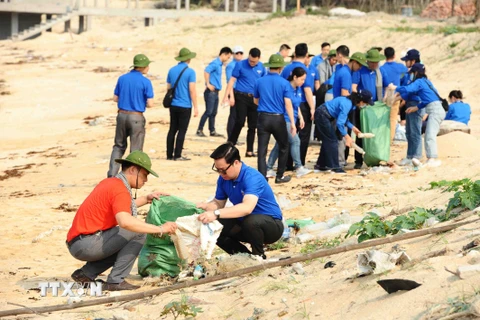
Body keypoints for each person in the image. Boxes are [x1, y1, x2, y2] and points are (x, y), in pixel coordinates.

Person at [67, 151, 177, 291]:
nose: (146, 180)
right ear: (132, 169)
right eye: (144, 175)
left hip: (79, 242)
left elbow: (121, 207)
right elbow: (125, 221)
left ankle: (86, 274)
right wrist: (161, 229)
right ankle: (115, 281)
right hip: (86, 243)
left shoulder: (112, 183)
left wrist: (146, 199)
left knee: (125, 238)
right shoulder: (120, 189)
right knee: (138, 233)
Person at [196, 143, 284, 259]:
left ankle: (258, 255)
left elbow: (247, 208)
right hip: (245, 225)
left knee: (251, 221)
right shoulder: (224, 179)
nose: (221, 174)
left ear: (236, 163)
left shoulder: (252, 177)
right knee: (213, 225)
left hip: (270, 226)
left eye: (223, 170)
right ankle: (243, 256)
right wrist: (205, 207)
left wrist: (216, 213)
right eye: (218, 170)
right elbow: (218, 203)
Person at [390, 63, 446, 167]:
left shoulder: (419, 82)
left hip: (435, 110)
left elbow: (408, 89)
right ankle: (429, 158)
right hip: (436, 109)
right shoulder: (427, 82)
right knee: (428, 134)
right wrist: (416, 108)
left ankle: (432, 159)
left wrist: (395, 87)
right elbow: (427, 100)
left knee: (429, 135)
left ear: (415, 73)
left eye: (412, 73)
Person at [107, 54, 154, 178]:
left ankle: (112, 175)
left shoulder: (122, 78)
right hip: (136, 117)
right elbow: (150, 104)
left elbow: (115, 98)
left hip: (122, 115)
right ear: (143, 67)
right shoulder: (146, 82)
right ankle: (131, 176)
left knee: (118, 146)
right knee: (136, 149)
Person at [254, 54, 295, 184]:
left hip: (263, 117)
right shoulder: (284, 83)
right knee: (284, 146)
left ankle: (262, 178)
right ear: (281, 67)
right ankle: (280, 176)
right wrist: (293, 122)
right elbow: (288, 103)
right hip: (278, 118)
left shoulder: (259, 81)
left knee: (262, 150)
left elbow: (255, 100)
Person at [267, 67, 311, 178]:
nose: (303, 82)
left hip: (292, 119)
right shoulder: (286, 87)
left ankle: (268, 167)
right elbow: (288, 106)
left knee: (279, 144)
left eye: (304, 79)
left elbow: (297, 105)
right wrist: (292, 122)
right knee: (295, 141)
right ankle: (299, 167)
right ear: (295, 77)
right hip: (285, 119)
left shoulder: (297, 88)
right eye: (301, 79)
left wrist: (300, 117)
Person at [314, 91, 374, 173]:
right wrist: (347, 137)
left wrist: (353, 127)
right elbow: (339, 123)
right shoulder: (347, 104)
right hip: (322, 115)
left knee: (328, 140)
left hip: (326, 115)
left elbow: (343, 118)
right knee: (333, 141)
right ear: (361, 101)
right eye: (366, 103)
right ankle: (335, 167)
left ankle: (321, 164)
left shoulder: (352, 104)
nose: (365, 105)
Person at [224, 48, 267, 157]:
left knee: (253, 125)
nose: (252, 63)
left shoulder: (261, 67)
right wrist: (229, 96)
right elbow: (232, 81)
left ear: (259, 59)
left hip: (254, 99)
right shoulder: (240, 65)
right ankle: (230, 144)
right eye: (250, 60)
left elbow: (263, 84)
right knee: (240, 121)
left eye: (254, 61)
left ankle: (249, 150)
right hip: (241, 96)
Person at [351, 49, 389, 169]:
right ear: (367, 61)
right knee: (361, 133)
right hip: (362, 107)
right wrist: (360, 101)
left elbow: (387, 86)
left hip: (376, 107)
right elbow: (353, 87)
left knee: (376, 133)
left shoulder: (381, 71)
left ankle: (376, 157)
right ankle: (358, 160)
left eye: (376, 62)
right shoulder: (360, 71)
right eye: (372, 62)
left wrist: (385, 99)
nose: (374, 65)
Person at [280, 43, 315, 167]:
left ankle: (287, 163)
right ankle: (299, 163)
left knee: (290, 134)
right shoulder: (305, 70)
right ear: (306, 55)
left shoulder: (286, 68)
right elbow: (307, 90)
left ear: (294, 54)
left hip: (287, 103)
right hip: (301, 105)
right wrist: (312, 108)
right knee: (303, 136)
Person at [166, 48, 199, 161]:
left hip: (174, 104)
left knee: (172, 129)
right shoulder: (190, 72)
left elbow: (168, 88)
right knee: (182, 130)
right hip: (185, 105)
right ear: (188, 58)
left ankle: (169, 154)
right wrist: (196, 106)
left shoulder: (171, 70)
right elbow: (192, 90)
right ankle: (178, 154)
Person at [196, 47, 233, 138]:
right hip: (211, 91)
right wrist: (208, 83)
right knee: (208, 111)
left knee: (213, 112)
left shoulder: (220, 65)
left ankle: (212, 130)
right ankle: (199, 129)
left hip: (216, 91)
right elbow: (206, 71)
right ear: (223, 54)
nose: (228, 59)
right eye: (228, 57)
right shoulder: (215, 63)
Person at [397, 49, 424, 166]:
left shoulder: (418, 72)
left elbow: (413, 89)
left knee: (415, 131)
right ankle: (410, 155)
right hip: (408, 103)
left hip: (416, 103)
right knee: (409, 131)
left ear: (412, 61)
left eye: (407, 61)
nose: (405, 63)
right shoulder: (408, 73)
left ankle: (416, 156)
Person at [380, 47, 409, 142]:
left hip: (383, 96)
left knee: (382, 119)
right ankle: (389, 140)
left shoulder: (381, 68)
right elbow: (406, 78)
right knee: (393, 119)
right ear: (394, 55)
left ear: (385, 56)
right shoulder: (400, 67)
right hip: (395, 96)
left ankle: (382, 139)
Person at [226, 45, 244, 139]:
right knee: (233, 115)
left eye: (241, 53)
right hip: (233, 91)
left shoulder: (242, 64)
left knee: (238, 116)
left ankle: (234, 137)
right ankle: (230, 137)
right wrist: (231, 96)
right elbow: (230, 81)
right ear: (233, 54)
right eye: (237, 53)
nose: (239, 55)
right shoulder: (231, 66)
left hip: (240, 92)